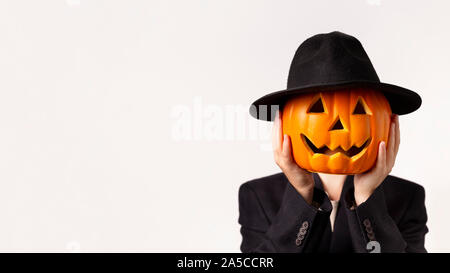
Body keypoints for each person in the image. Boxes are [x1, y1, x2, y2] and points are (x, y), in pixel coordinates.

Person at [238, 32, 428, 253]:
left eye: (358, 110)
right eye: (317, 109)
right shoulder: (258, 195)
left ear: (388, 124)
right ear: (283, 123)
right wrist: (302, 193)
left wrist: (366, 198)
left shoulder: (407, 197)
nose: (339, 127)